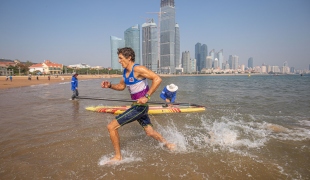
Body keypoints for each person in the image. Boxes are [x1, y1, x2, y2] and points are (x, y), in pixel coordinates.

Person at [101, 47, 175, 162]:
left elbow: (157, 79)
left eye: (120, 58)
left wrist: (147, 96)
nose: (119, 61)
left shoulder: (138, 69)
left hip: (140, 107)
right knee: (150, 132)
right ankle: (169, 144)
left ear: (129, 57)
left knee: (111, 127)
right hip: (136, 106)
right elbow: (121, 87)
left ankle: (117, 157)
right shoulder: (125, 72)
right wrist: (110, 86)